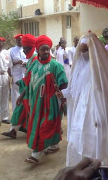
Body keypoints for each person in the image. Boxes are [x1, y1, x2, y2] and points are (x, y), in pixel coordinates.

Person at [62, 32, 108, 166]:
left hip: (96, 114)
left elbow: (104, 95)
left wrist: (98, 114)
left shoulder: (101, 69)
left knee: (97, 144)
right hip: (81, 112)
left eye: (86, 50)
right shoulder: (79, 66)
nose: (83, 54)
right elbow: (73, 90)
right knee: (80, 142)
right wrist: (62, 93)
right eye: (81, 50)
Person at [24, 35, 68, 164]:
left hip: (50, 103)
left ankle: (36, 153)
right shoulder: (34, 64)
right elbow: (27, 81)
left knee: (45, 125)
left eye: (48, 49)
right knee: (42, 125)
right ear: (37, 50)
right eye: (43, 49)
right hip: (35, 103)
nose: (46, 52)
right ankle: (54, 144)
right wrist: (24, 96)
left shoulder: (55, 65)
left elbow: (63, 83)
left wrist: (62, 96)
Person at [1, 34, 37, 139]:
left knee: (25, 109)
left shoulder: (34, 59)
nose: (23, 50)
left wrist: (23, 94)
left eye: (25, 48)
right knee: (20, 109)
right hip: (23, 86)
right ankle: (14, 130)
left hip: (31, 91)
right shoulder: (14, 52)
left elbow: (31, 80)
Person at [9, 34, 27, 112]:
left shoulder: (27, 49)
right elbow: (9, 64)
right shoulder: (11, 51)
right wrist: (17, 62)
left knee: (25, 96)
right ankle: (16, 116)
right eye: (18, 40)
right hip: (16, 76)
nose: (20, 41)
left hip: (25, 76)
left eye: (21, 40)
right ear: (16, 41)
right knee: (15, 97)